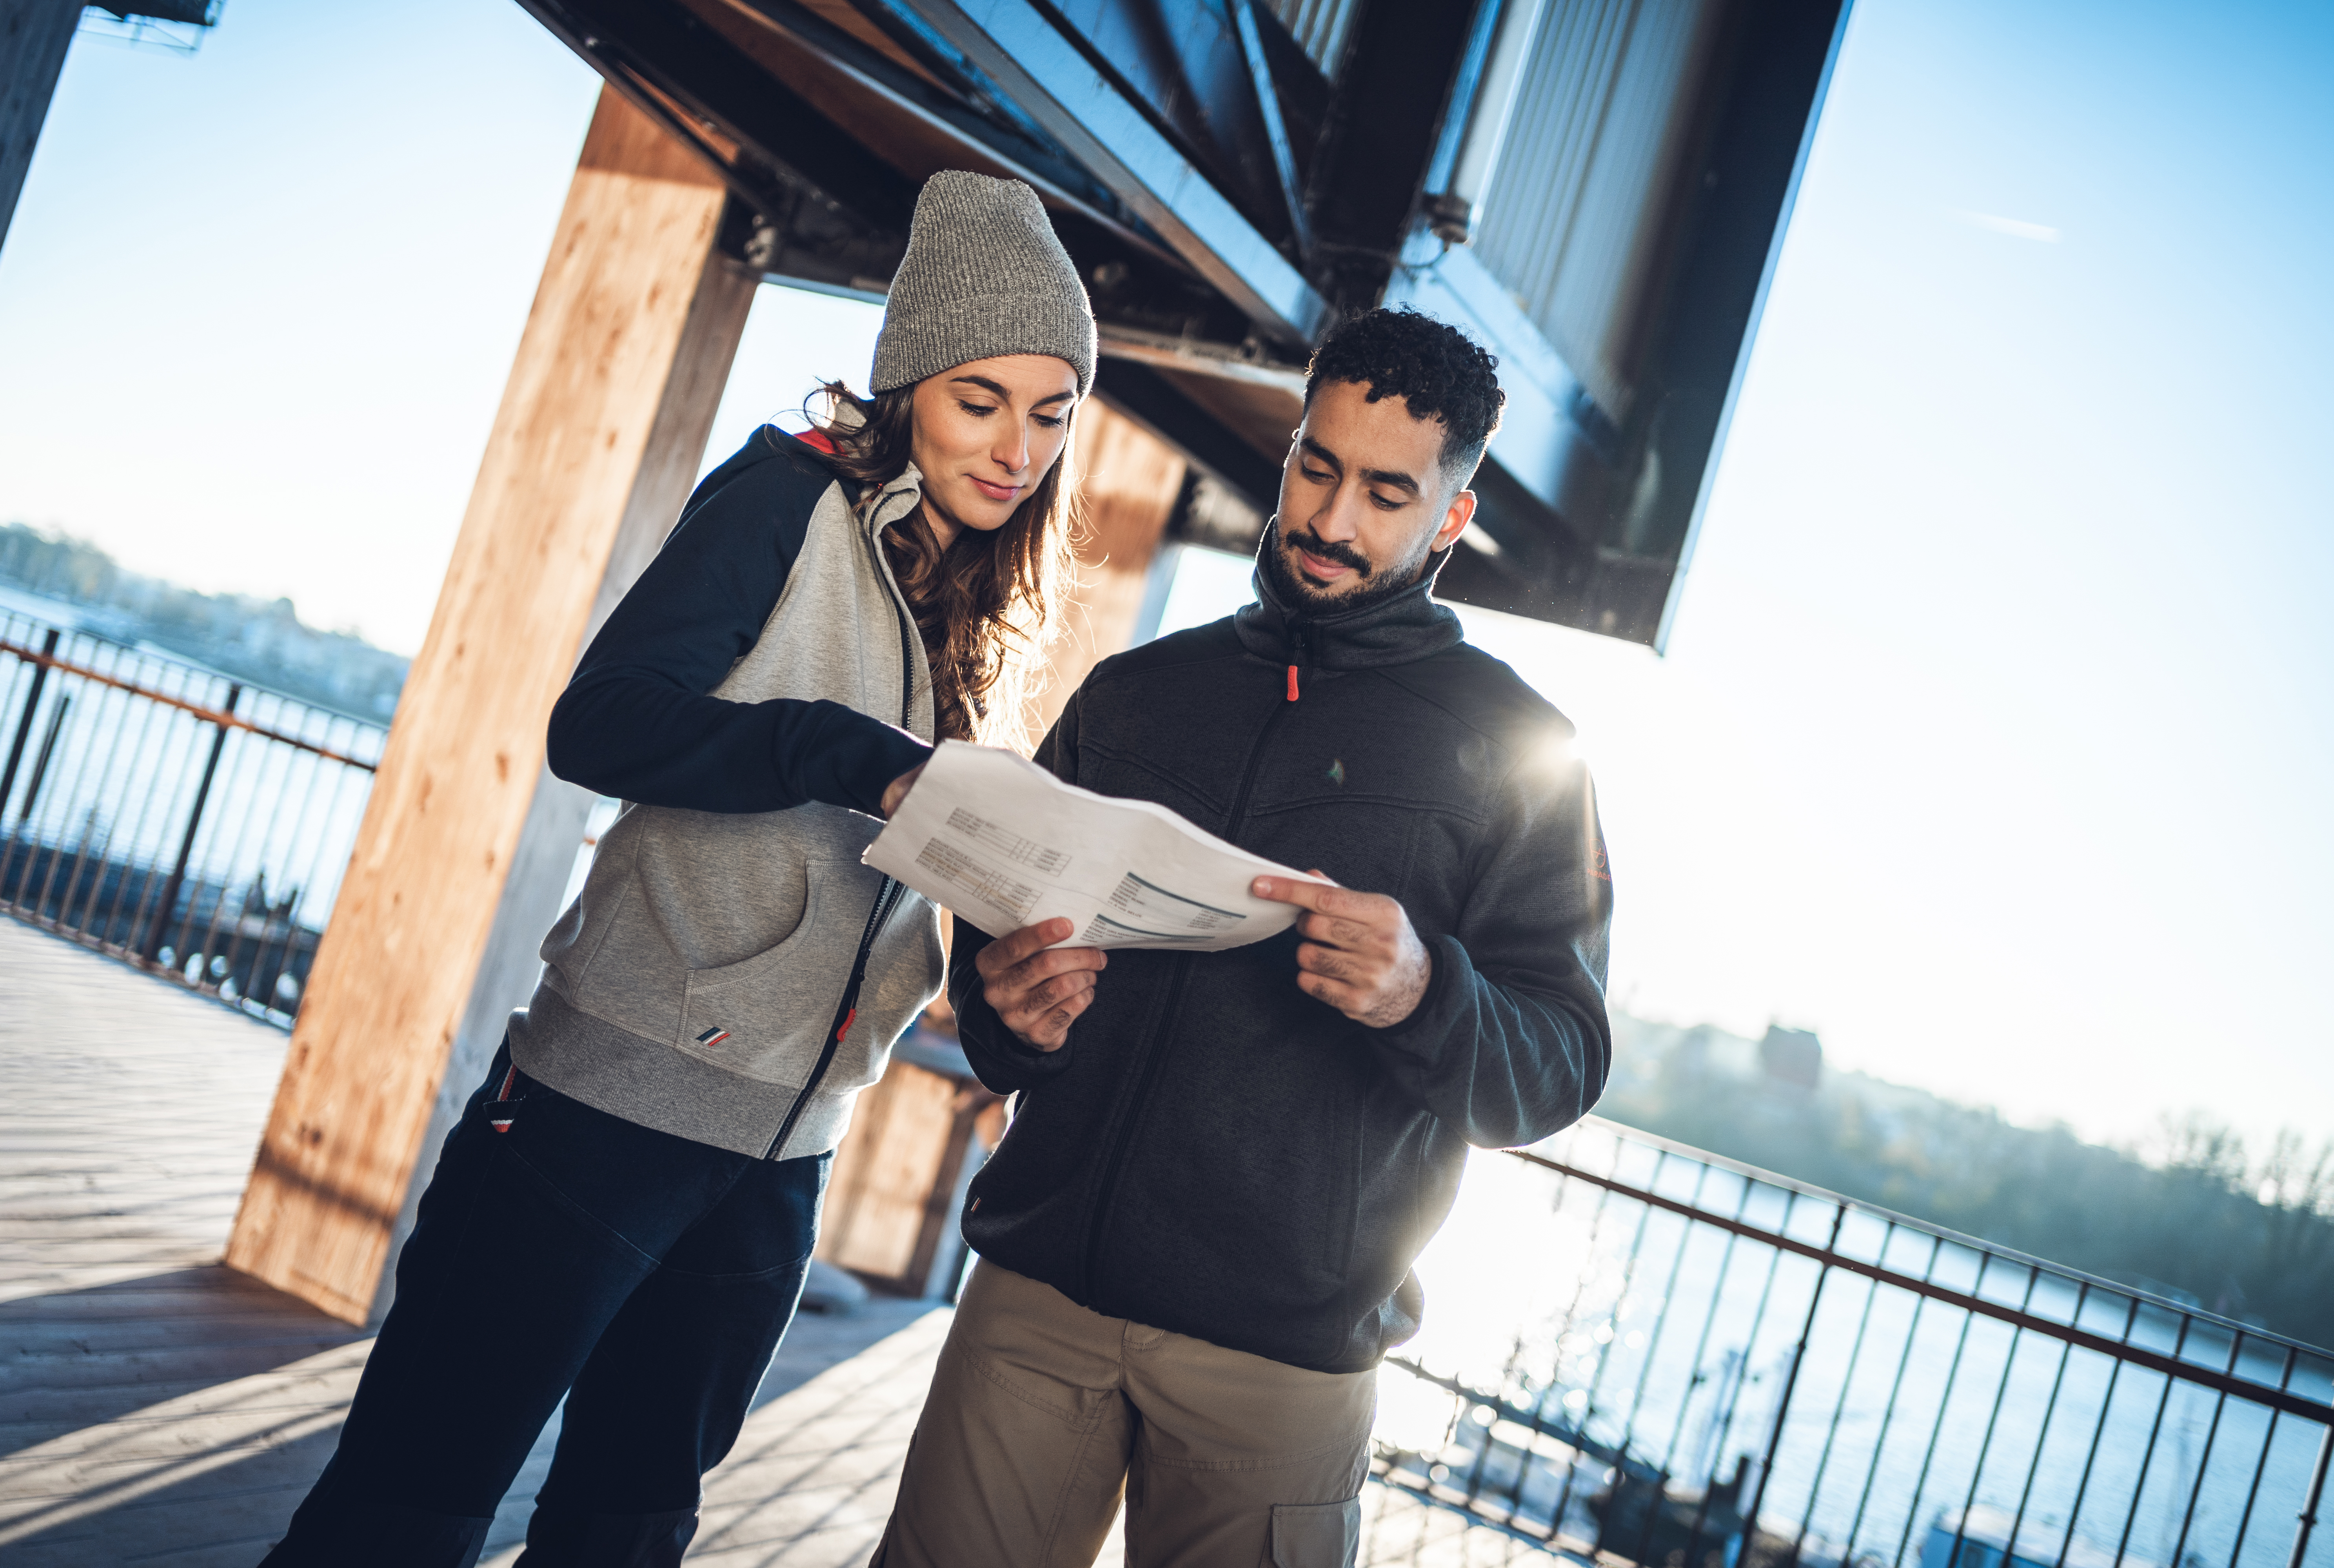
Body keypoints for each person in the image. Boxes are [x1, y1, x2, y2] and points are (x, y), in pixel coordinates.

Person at [262, 170, 1095, 1568]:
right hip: (609, 1105)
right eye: (982, 401)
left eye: (1052, 413)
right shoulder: (785, 500)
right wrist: (848, 753)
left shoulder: (978, 611)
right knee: (406, 1509)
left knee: (627, 1537)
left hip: (782, 1158)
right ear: (909, 384)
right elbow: (602, 723)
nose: (1019, 447)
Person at [871, 307, 1613, 1568]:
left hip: (1282, 1361)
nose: (1332, 521)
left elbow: (1559, 1065)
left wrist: (1427, 992)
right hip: (1037, 1296)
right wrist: (1006, 1006)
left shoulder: (1524, 755)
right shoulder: (1138, 693)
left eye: (1386, 493)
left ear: (1449, 518)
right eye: (1316, 468)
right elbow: (996, 963)